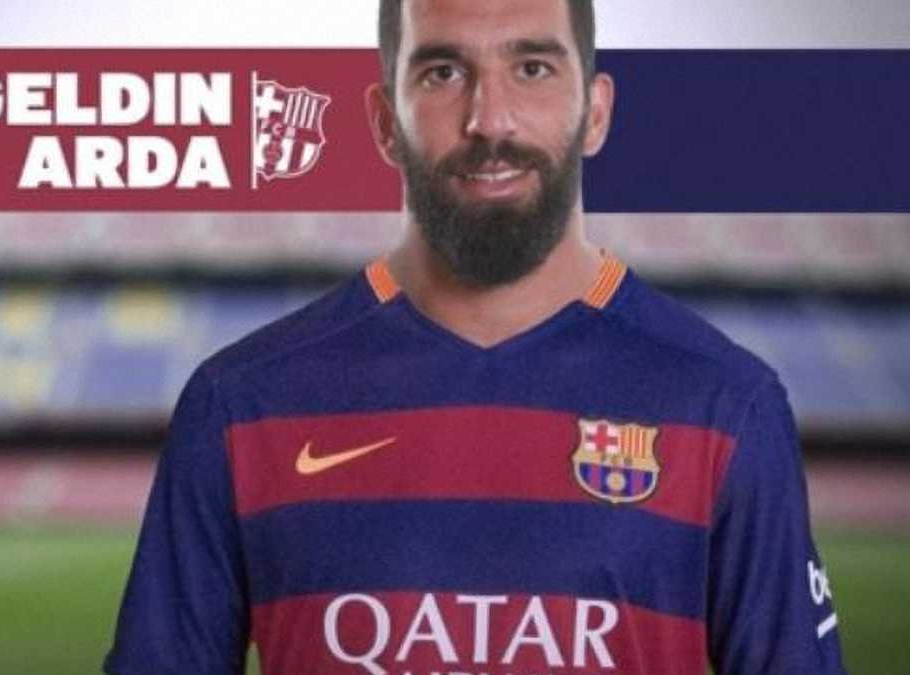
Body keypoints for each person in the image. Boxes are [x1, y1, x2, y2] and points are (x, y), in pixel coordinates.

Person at [105, 1, 847, 673]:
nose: (490, 120)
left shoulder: (727, 405)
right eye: (442, 72)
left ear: (595, 112)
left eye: (532, 68)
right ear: (384, 122)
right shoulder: (239, 406)